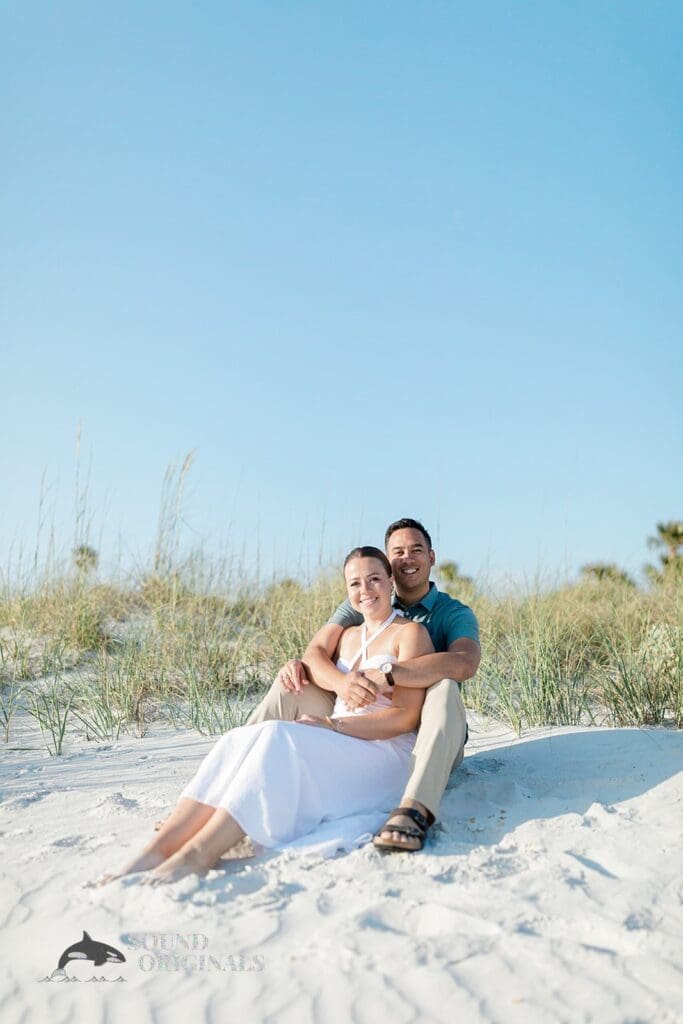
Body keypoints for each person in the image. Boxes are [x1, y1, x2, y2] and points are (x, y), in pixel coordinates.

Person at [97, 547, 433, 885]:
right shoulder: (346, 636)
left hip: (384, 752)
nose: (365, 590)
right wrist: (299, 671)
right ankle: (157, 849)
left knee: (278, 736)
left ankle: (200, 852)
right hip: (342, 741)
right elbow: (312, 658)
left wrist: (332, 724)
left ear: (391, 582)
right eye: (355, 584)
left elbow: (404, 718)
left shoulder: (411, 634)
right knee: (237, 739)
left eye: (374, 579)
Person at [248, 518, 481, 853]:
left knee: (443, 687)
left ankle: (415, 810)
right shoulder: (367, 597)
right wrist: (343, 685)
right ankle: (232, 786)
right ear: (388, 563)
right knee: (293, 682)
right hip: (362, 714)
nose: (407, 559)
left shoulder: (453, 613)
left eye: (416, 550)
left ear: (432, 557)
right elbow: (315, 653)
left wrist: (390, 672)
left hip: (429, 731)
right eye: (397, 552)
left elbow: (464, 663)